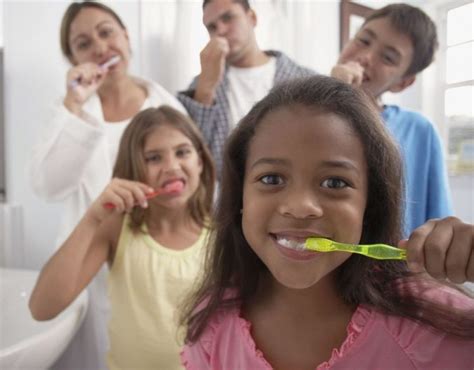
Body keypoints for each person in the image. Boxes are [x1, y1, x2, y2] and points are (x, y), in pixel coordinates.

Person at [180, 76, 474, 370]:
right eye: (271, 179)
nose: (299, 207)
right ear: (241, 197)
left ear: (369, 206)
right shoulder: (212, 325)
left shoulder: (433, 326)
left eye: (335, 182)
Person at [27, 2, 186, 368]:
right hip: (93, 265)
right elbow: (48, 187)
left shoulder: (167, 106)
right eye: (83, 44)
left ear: (126, 37)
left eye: (106, 32)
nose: (99, 47)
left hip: (156, 261)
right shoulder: (70, 113)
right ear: (74, 60)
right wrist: (74, 105)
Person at [30, 106, 215, 370]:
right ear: (133, 170)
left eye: (182, 152)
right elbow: (42, 308)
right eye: (153, 158)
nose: (172, 166)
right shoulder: (117, 229)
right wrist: (92, 218)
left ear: (199, 161)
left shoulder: (222, 235)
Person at [331, 3, 452, 236]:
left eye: (387, 57)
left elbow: (440, 227)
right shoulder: (309, 114)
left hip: (394, 268)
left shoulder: (420, 131)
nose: (365, 57)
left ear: (402, 83)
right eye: (363, 41)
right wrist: (332, 92)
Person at [177, 0, 314, 176]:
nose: (221, 30)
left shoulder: (305, 79)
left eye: (228, 18)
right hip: (228, 197)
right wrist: (206, 88)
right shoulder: (201, 86)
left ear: (252, 18)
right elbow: (194, 152)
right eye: (212, 27)